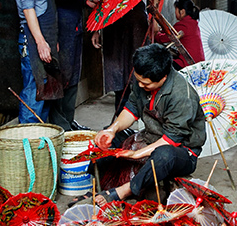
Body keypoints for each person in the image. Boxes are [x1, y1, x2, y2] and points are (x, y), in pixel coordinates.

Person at [88, 43, 207, 205]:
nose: (140, 86)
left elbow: (172, 139)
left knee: (164, 156)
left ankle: (125, 190)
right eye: (138, 80)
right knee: (106, 138)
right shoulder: (141, 78)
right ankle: (96, 186)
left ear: (163, 78)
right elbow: (132, 109)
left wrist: (136, 154)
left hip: (180, 150)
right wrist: (112, 129)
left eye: (146, 84)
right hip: (150, 137)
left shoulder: (182, 95)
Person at [47, 0, 112, 131]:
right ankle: (59, 124)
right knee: (62, 76)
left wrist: (86, 2)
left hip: (75, 26)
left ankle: (68, 120)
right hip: (62, 28)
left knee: (73, 75)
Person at [14, 0, 63, 124]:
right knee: (34, 90)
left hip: (43, 38)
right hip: (33, 40)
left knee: (44, 91)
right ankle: (26, 142)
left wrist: (51, 41)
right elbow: (28, 9)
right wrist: (41, 42)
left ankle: (40, 143)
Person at [154, 0, 205, 70]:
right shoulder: (193, 23)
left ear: (182, 12)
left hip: (187, 63)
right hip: (199, 63)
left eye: (176, 10)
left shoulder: (183, 25)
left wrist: (156, 32)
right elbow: (169, 32)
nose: (175, 13)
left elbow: (162, 39)